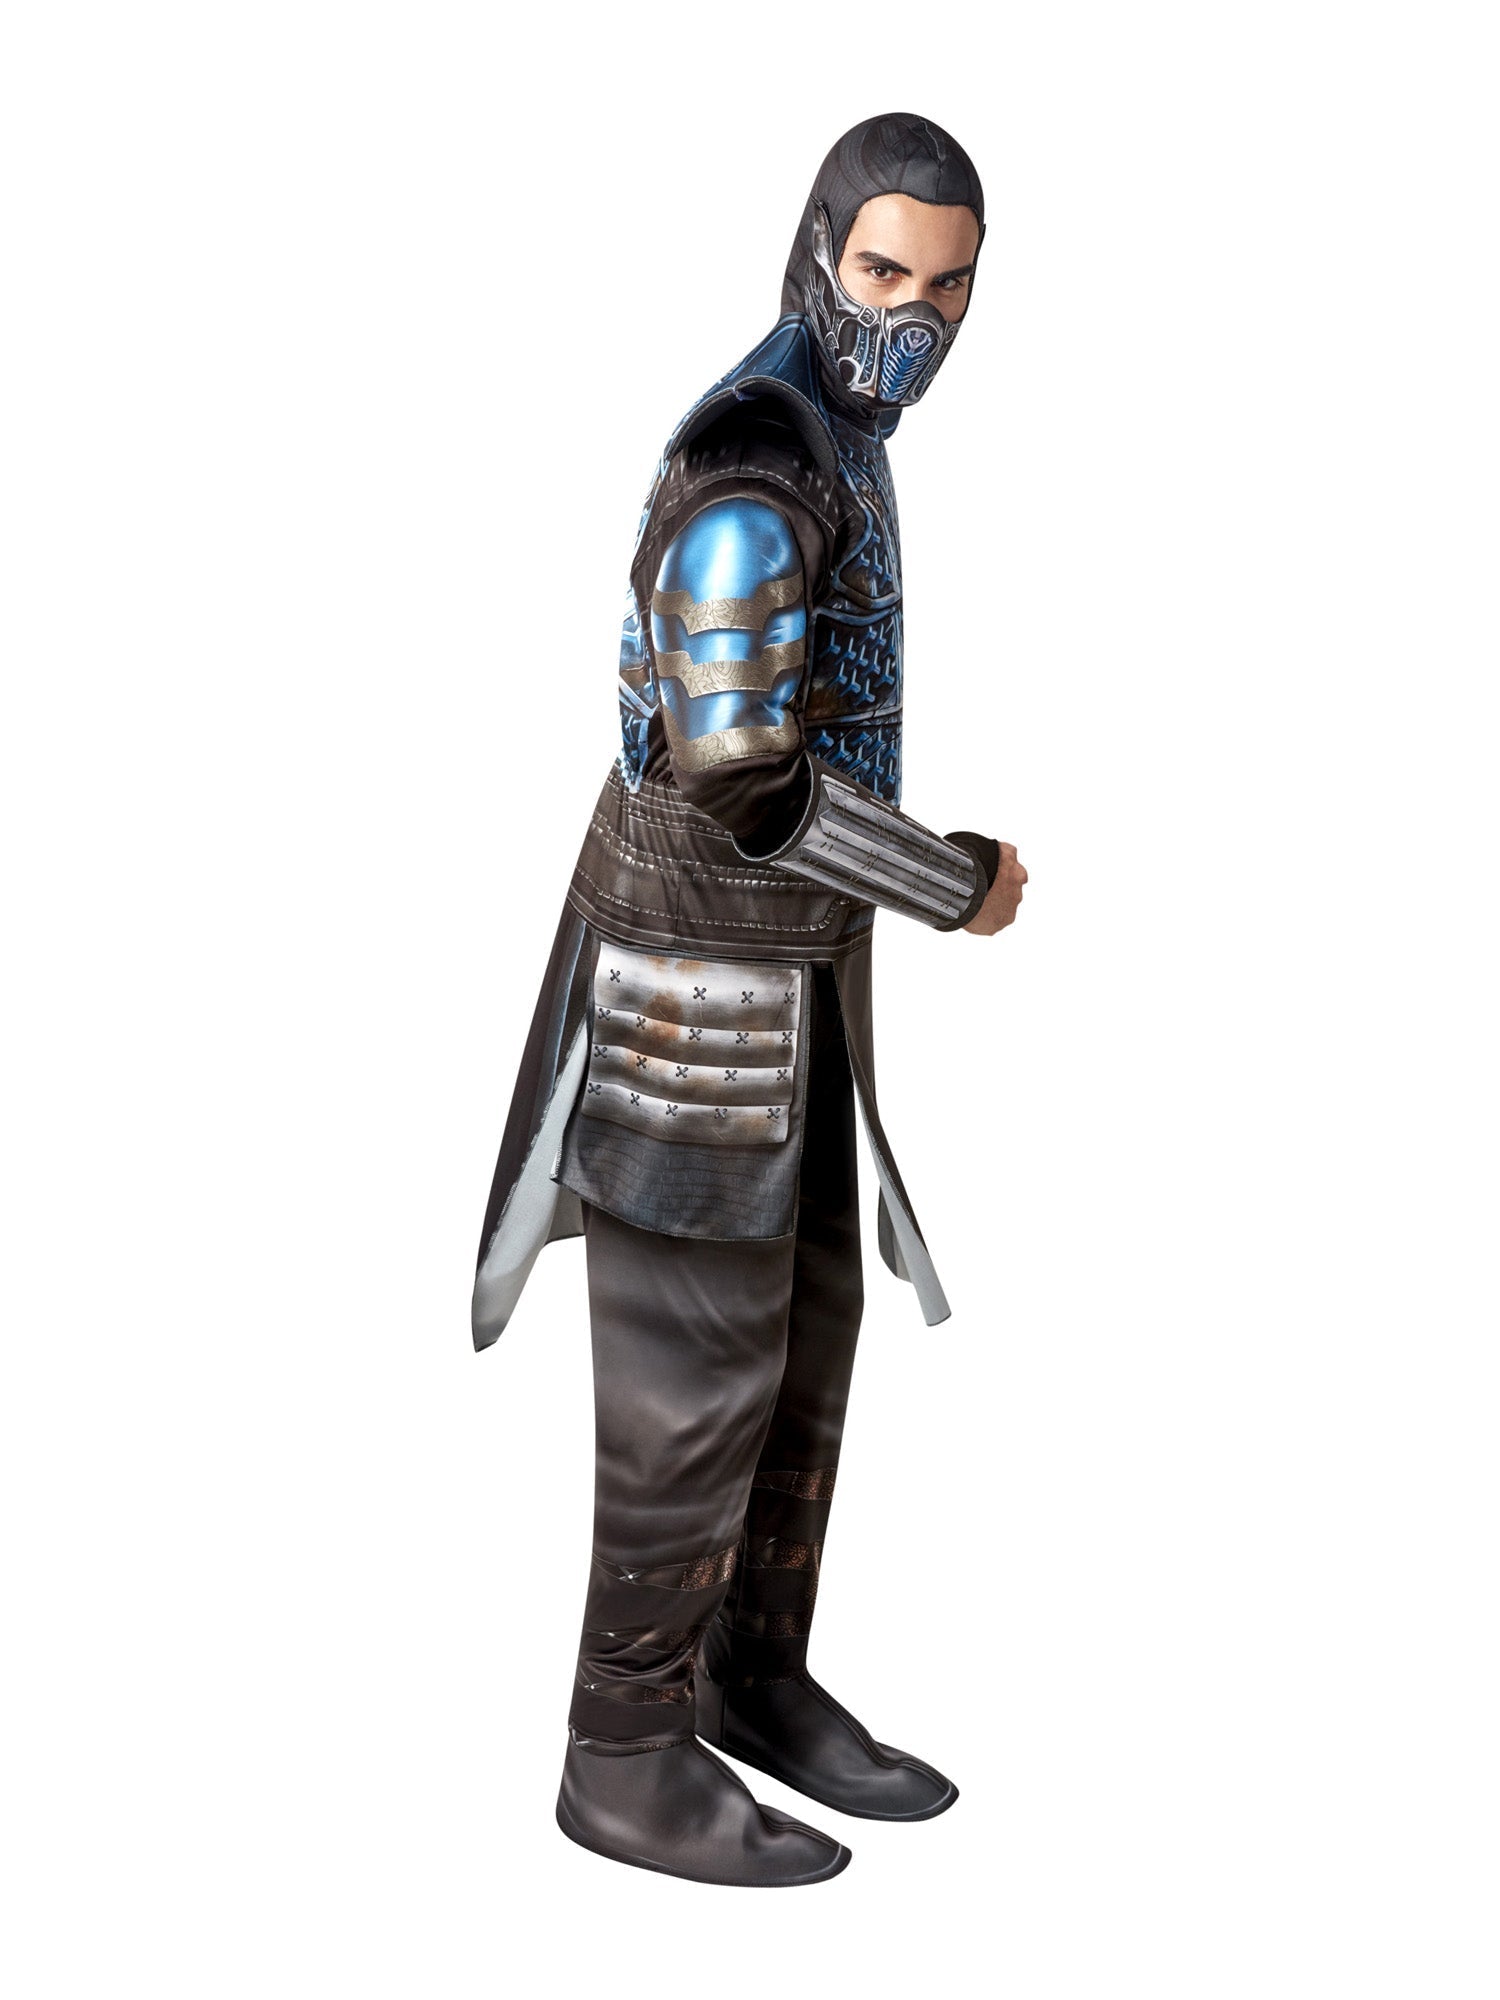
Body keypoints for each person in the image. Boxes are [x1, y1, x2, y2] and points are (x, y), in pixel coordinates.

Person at [472, 111, 1027, 1887]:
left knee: (806, 1330)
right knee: (696, 1363)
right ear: (815, 250)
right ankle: (621, 1751)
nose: (911, 321)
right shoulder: (757, 454)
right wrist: (948, 880)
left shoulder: (841, 435)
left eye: (949, 289)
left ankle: (748, 1675)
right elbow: (734, 771)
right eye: (883, 272)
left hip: (797, 962)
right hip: (691, 971)